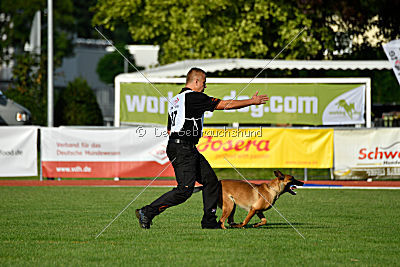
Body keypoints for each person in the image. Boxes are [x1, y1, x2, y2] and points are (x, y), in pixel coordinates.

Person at [136, 67, 269, 229]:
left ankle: (209, 222)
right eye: (204, 83)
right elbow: (225, 105)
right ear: (196, 81)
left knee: (211, 181)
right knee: (184, 190)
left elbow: (170, 129)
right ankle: (147, 212)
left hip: (182, 146)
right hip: (183, 148)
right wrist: (251, 102)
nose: (205, 86)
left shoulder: (176, 100)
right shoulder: (194, 97)